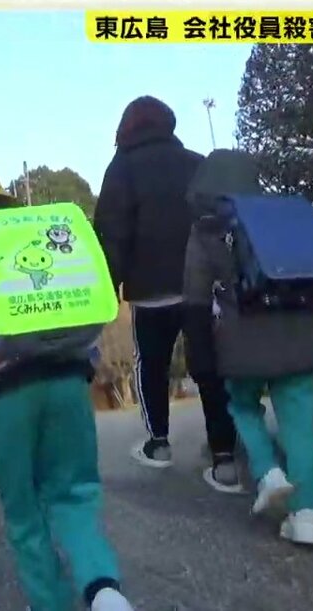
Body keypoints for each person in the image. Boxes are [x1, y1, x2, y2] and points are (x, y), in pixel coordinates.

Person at [0, 164, 134, 611]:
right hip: (67, 383)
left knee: (24, 514)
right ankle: (104, 590)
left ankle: (50, 602)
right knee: (75, 494)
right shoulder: (33, 240)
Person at [93, 94, 240, 494]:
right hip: (201, 286)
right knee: (209, 367)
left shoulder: (122, 168)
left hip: (150, 288)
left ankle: (158, 443)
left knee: (151, 364)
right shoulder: (195, 162)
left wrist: (109, 287)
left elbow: (112, 233)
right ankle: (224, 456)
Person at [182, 149, 313, 546]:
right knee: (299, 428)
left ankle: (268, 473)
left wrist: (200, 354)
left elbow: (195, 299)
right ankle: (307, 516)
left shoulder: (206, 231)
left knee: (242, 407)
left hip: (241, 341)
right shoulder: (280, 217)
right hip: (296, 334)